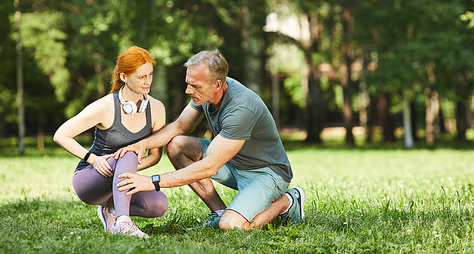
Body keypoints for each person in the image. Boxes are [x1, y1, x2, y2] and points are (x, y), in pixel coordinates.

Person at [115, 49, 304, 231]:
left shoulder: (241, 108)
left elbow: (210, 166)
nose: (189, 90)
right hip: (233, 164)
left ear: (217, 85)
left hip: (266, 173)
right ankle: (219, 212)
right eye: (188, 83)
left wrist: (152, 181)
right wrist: (143, 144)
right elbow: (179, 126)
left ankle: (287, 202)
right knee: (177, 145)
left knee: (232, 226)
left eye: (195, 86)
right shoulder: (205, 91)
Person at [53, 46, 169, 238]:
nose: (148, 81)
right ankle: (123, 222)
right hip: (91, 179)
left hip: (122, 180)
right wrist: (93, 159)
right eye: (141, 77)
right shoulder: (105, 106)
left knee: (158, 205)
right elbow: (61, 135)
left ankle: (110, 211)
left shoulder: (156, 108)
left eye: (150, 75)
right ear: (124, 77)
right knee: (129, 151)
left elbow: (155, 156)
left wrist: (126, 167)